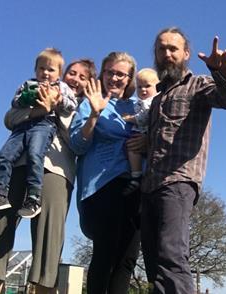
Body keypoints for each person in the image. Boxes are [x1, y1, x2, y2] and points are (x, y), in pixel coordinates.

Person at [0, 58, 97, 294]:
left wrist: (54, 109)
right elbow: (10, 118)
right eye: (71, 73)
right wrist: (39, 110)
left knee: (48, 239)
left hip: (56, 169)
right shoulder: (40, 90)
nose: (75, 78)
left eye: (82, 77)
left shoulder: (83, 107)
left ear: (88, 85)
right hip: (19, 164)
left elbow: (79, 142)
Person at [140, 27, 226, 293]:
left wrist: (220, 71)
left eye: (173, 49)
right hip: (149, 186)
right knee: (155, 267)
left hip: (178, 182)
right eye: (161, 49)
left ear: (186, 53)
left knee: (171, 256)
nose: (167, 54)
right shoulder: (157, 98)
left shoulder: (198, 85)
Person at [69, 51, 141, 294]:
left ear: (129, 78)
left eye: (121, 74)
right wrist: (94, 114)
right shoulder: (90, 103)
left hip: (134, 186)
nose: (115, 77)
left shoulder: (136, 106)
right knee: (106, 251)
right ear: (103, 73)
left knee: (127, 258)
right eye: (110, 71)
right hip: (102, 186)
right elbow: (78, 145)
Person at [0, 48, 78, 218]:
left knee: (35, 153)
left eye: (51, 69)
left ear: (59, 73)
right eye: (41, 68)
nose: (45, 73)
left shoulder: (61, 87)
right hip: (22, 127)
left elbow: (72, 104)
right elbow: (15, 103)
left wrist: (58, 99)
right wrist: (28, 98)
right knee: (5, 155)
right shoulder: (28, 84)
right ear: (35, 70)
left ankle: (34, 197)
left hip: (44, 125)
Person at [121, 68, 160, 195]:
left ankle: (136, 175)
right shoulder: (141, 101)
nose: (143, 90)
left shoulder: (151, 101)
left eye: (147, 86)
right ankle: (137, 174)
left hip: (145, 132)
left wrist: (130, 118)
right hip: (143, 133)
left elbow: (143, 118)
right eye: (140, 87)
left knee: (132, 147)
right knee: (132, 149)